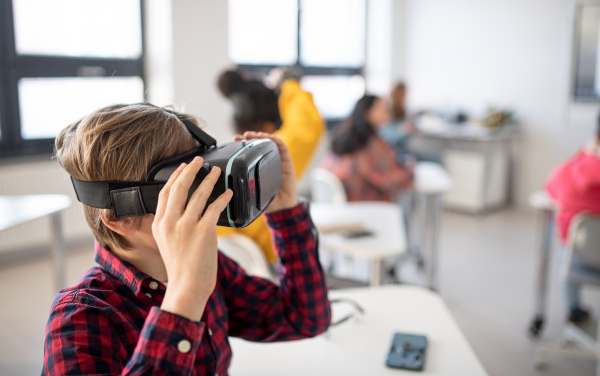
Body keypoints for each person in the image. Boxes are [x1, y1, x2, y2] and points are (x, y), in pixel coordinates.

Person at [42, 104, 330, 375]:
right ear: (120, 218)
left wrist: (285, 212)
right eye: (183, 189)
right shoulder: (80, 318)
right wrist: (186, 297)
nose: (205, 196)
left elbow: (304, 317)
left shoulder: (211, 265)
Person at [216, 68, 324, 264]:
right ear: (268, 127)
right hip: (269, 265)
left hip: (232, 270)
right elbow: (307, 126)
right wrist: (290, 84)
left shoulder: (222, 160)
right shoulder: (268, 154)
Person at [546, 112, 600, 323]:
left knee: (567, 245)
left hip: (577, 260)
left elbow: (550, 188)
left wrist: (585, 155)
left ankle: (573, 309)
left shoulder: (571, 170)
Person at [321, 95, 413, 202]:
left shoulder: (347, 136)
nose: (388, 111)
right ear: (367, 112)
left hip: (345, 204)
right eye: (382, 107)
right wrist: (409, 173)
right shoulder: (366, 146)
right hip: (362, 204)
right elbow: (385, 180)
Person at [378, 82, 416, 157]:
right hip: (393, 146)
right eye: (402, 93)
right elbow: (386, 134)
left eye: (405, 93)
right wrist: (402, 129)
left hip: (403, 142)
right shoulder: (388, 108)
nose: (404, 96)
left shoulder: (402, 108)